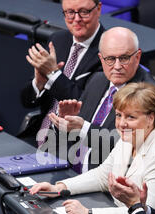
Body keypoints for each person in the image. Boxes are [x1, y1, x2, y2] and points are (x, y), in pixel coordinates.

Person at [29, 82, 155, 214]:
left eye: (131, 117)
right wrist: (59, 188)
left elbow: (145, 212)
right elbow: (102, 176)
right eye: (119, 115)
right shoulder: (130, 136)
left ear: (151, 118)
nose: (121, 123)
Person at [47, 27, 155, 173]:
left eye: (124, 58)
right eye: (110, 59)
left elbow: (129, 145)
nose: (117, 66)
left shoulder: (151, 95)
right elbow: (74, 134)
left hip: (106, 183)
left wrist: (83, 128)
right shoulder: (97, 79)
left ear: (137, 57)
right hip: (67, 168)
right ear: (101, 59)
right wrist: (64, 122)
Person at [20, 0, 105, 145]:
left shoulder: (108, 50)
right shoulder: (58, 39)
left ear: (98, 8)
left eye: (84, 12)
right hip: (38, 136)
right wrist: (38, 83)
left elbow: (88, 108)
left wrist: (53, 74)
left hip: (75, 144)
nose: (76, 19)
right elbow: (26, 101)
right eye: (70, 12)